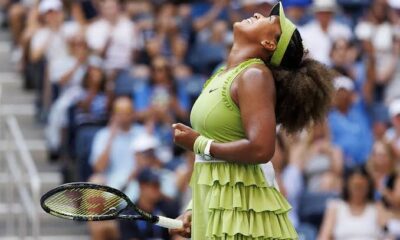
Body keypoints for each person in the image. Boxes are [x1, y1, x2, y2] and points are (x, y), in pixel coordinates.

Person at [170, 2, 333, 239]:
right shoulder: (221, 76)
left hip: (244, 214)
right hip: (220, 206)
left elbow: (261, 149)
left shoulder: (254, 76)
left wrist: (199, 144)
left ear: (269, 44)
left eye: (267, 20)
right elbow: (212, 161)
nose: (258, 14)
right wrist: (194, 208)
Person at [318, 167, 386, 240]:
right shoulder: (335, 207)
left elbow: (388, 233)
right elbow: (324, 237)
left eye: (361, 186)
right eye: (355, 186)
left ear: (368, 187)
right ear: (347, 186)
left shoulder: (377, 207)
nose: (358, 191)